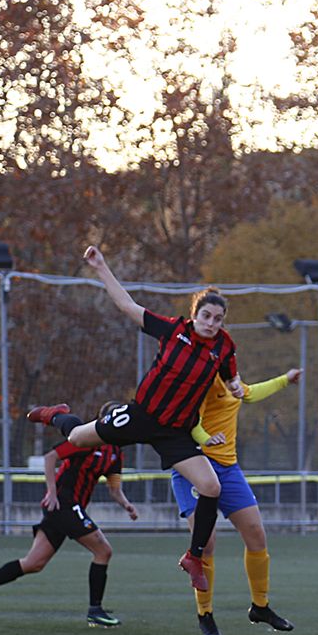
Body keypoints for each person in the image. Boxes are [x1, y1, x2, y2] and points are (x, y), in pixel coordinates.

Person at [26, 245, 239, 593]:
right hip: (142, 416)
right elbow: (127, 305)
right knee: (77, 438)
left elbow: (231, 378)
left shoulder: (225, 346)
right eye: (207, 316)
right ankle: (58, 415)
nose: (212, 324)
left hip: (176, 431)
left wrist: (236, 386)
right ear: (194, 314)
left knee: (211, 486)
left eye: (218, 319)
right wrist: (101, 266)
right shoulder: (174, 330)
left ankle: (194, 557)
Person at [0, 402, 138, 626]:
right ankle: (95, 611)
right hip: (64, 504)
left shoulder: (116, 452)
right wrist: (51, 492)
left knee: (34, 563)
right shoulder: (88, 439)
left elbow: (114, 488)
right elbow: (50, 457)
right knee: (103, 551)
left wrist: (126, 505)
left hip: (67, 509)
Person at [178, 369, 303, 635]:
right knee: (206, 543)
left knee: (256, 534)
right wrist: (205, 439)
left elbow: (250, 393)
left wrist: (284, 380)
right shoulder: (202, 378)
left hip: (228, 468)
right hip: (195, 465)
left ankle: (260, 606)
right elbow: (190, 421)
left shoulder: (230, 375)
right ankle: (205, 613)